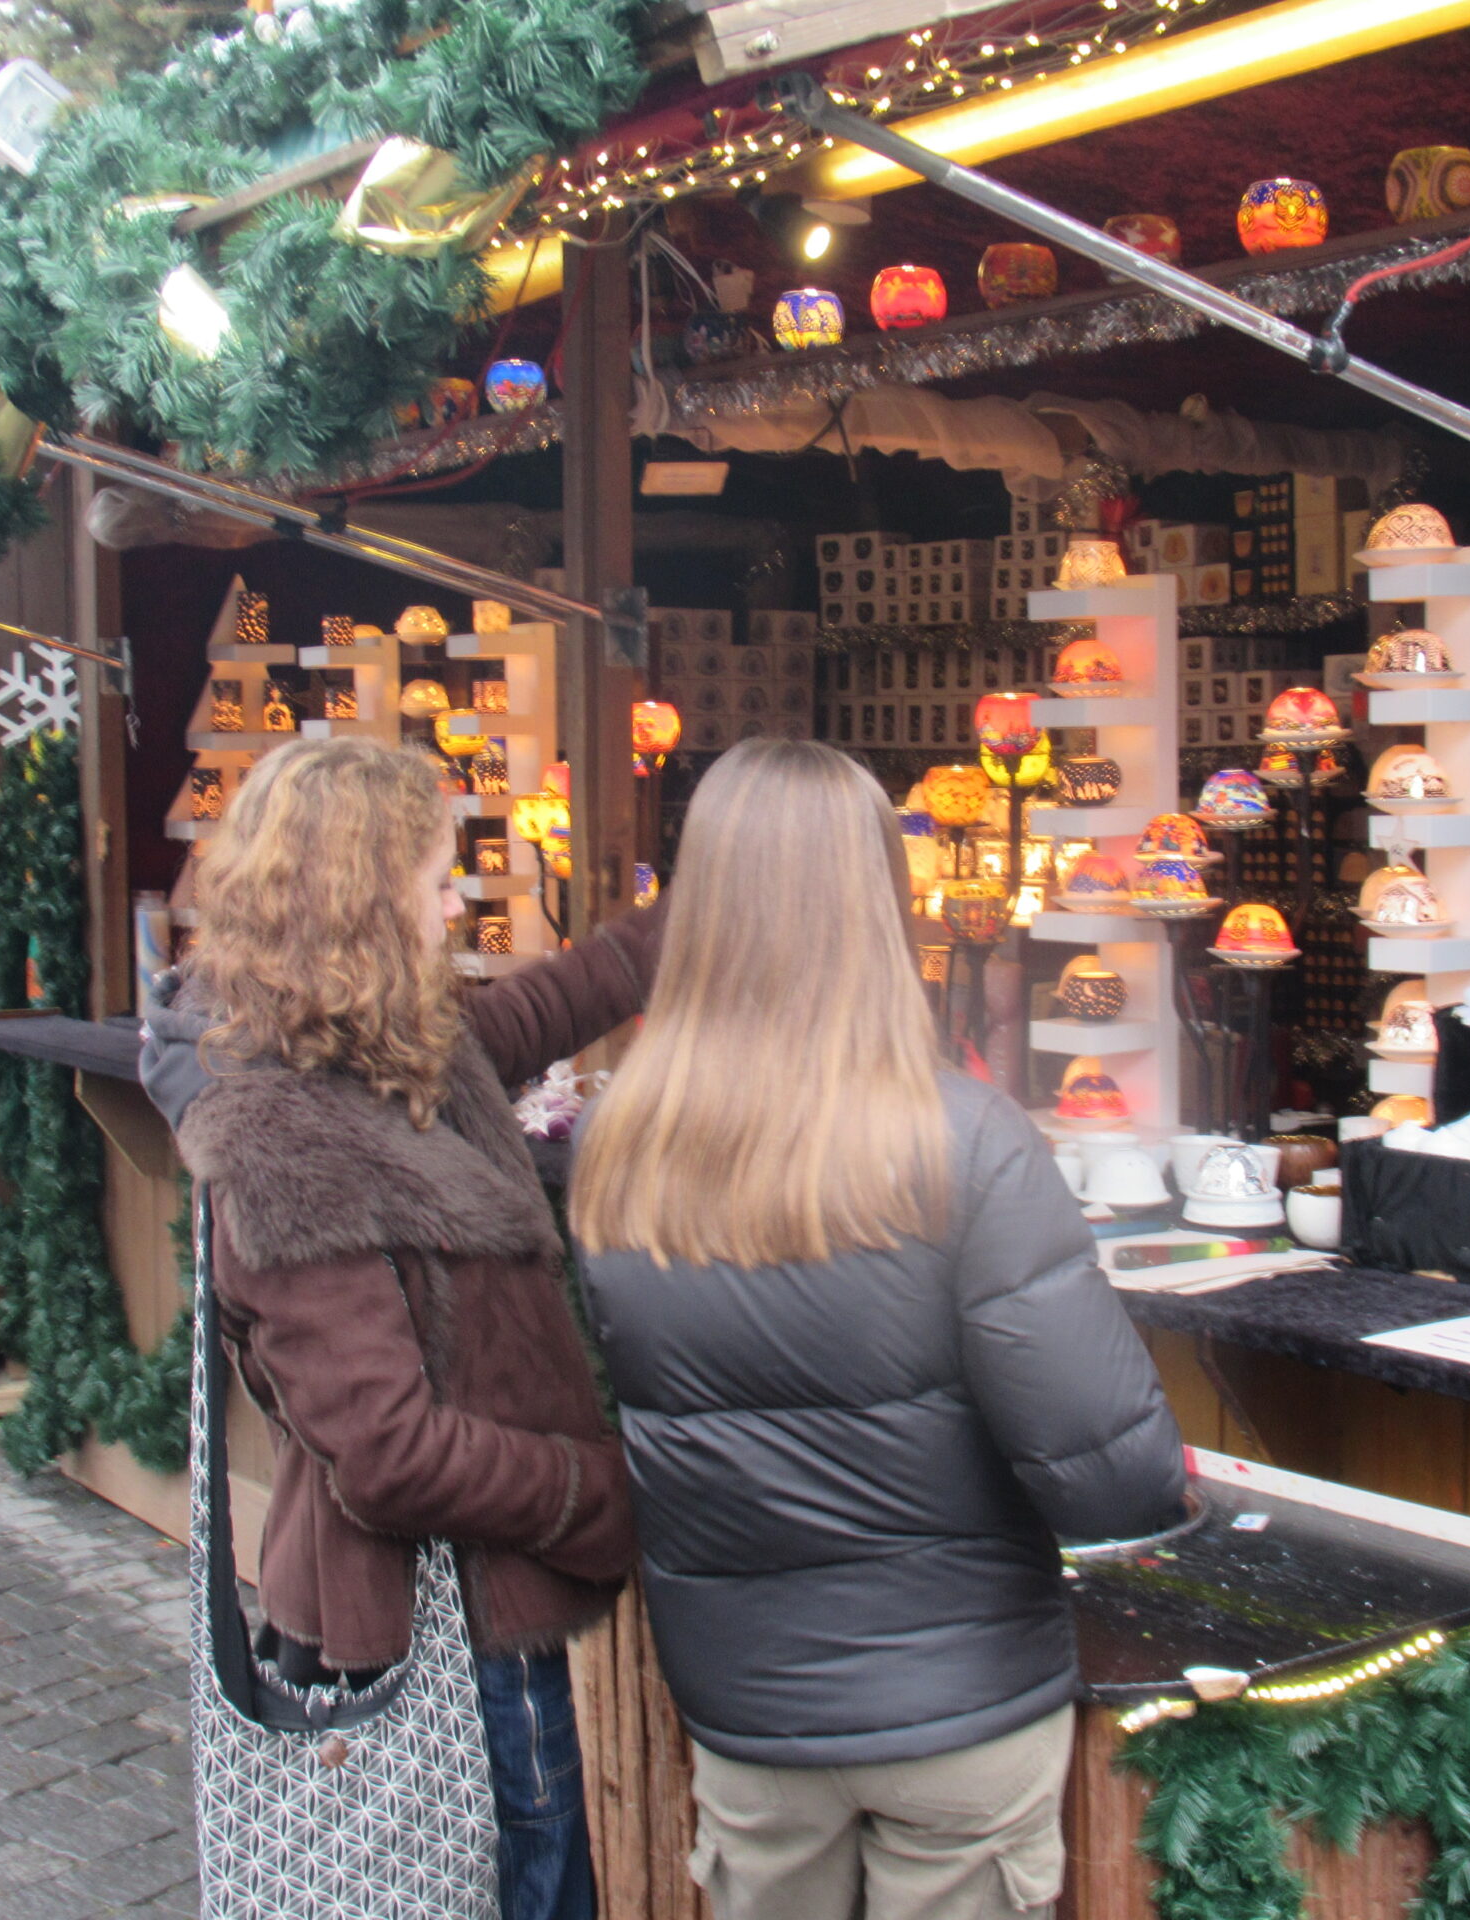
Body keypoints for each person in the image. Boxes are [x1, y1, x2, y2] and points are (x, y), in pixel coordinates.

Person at [569, 738, 1187, 1920]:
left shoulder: (617, 1145)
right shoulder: (970, 1141)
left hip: (749, 1707)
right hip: (963, 1703)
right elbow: (1115, 1478)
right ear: (877, 905)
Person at [139, 736, 662, 1920]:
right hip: (441, 1643)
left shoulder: (370, 1046)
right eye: (435, 879)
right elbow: (387, 1454)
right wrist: (597, 1490)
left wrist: (701, 909)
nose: (454, 903)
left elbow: (534, 1010)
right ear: (361, 908)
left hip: (478, 1622)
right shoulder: (284, 1137)